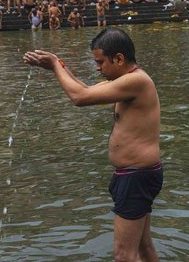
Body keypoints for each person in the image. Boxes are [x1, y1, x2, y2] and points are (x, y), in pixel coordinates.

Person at [23, 28, 163, 262]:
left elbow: (80, 98)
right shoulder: (127, 80)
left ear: (119, 58)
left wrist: (56, 64)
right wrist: (59, 66)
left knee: (123, 255)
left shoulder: (137, 81)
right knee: (143, 247)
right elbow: (85, 90)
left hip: (135, 176)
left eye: (100, 62)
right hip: (136, 174)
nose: (97, 68)